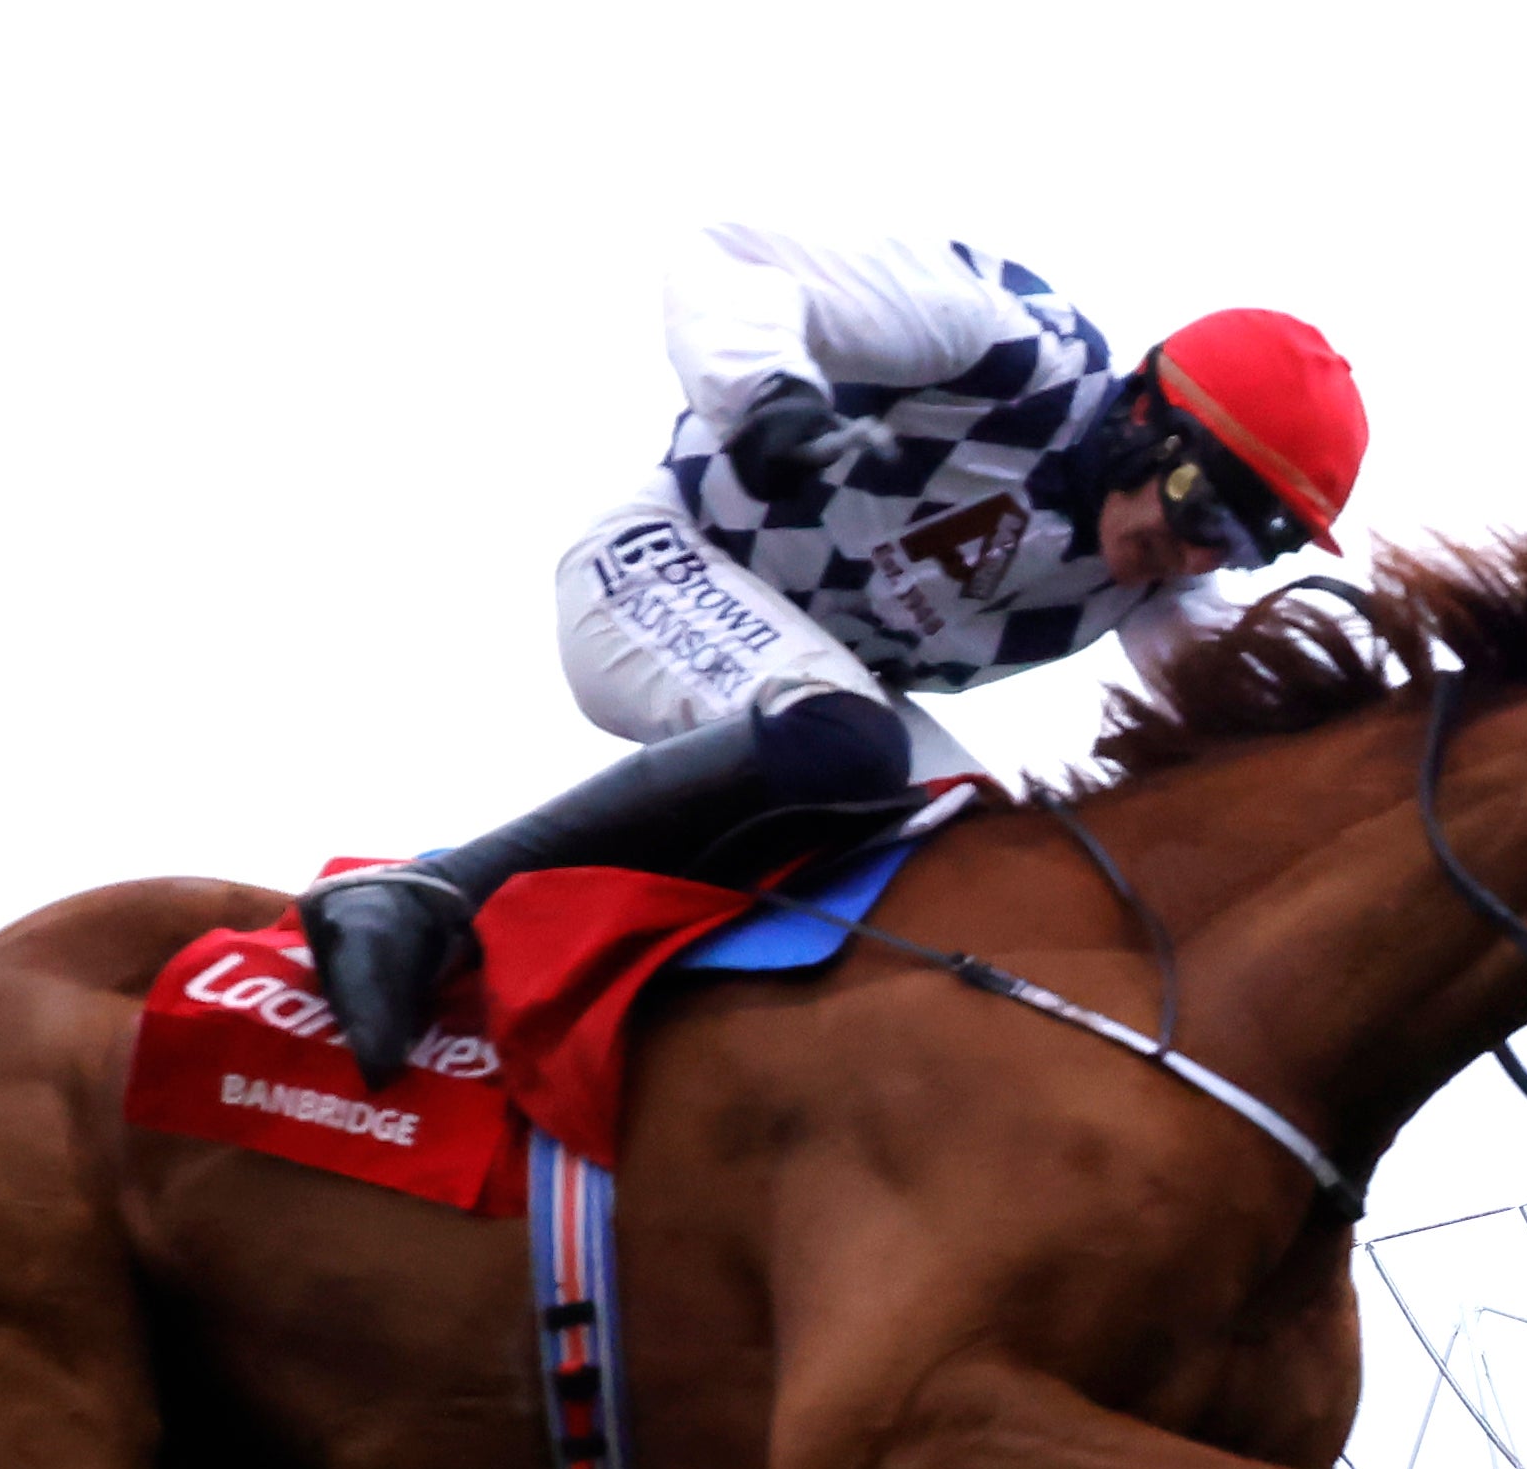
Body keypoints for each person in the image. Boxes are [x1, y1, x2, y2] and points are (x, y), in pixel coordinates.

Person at [300, 223, 1369, 1083]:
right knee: (845, 739)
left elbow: (1255, 728)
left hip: (807, 691)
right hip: (653, 562)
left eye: (1238, 545)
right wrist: (765, 394)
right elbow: (731, 257)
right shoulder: (1006, 342)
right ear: (1148, 416)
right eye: (1198, 504)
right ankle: (423, 895)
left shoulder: (1158, 582)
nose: (1190, 551)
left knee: (997, 866)